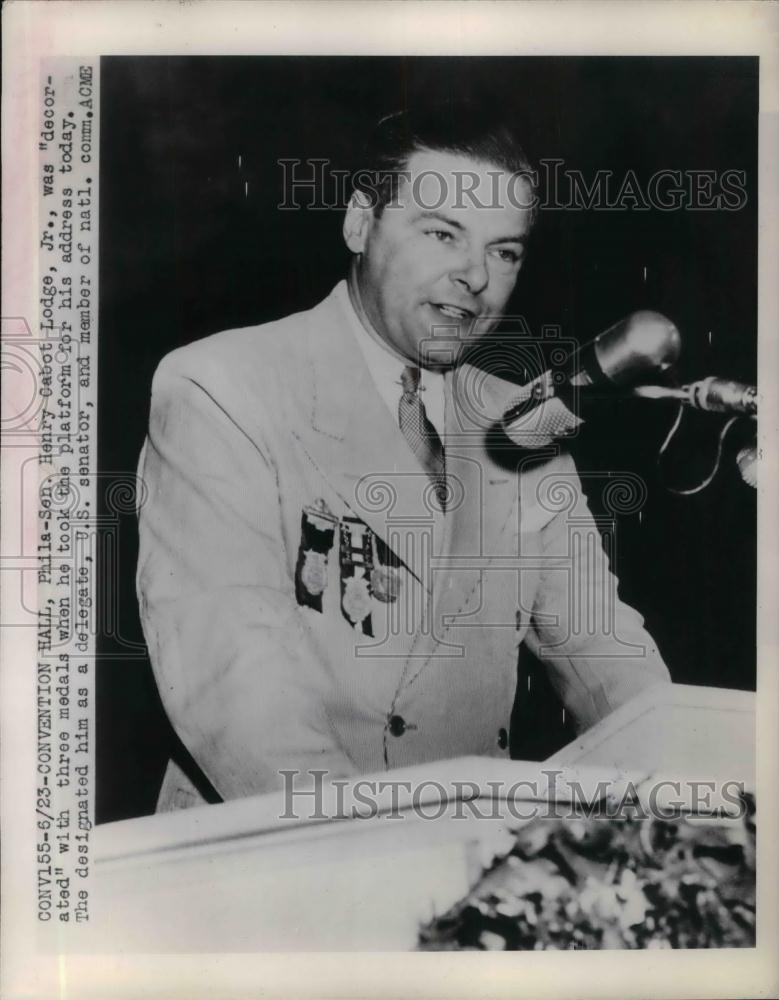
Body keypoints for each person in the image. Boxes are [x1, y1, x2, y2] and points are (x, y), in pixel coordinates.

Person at [136, 101, 671, 811]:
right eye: (442, 233)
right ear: (360, 223)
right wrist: (373, 856)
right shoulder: (222, 385)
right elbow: (235, 682)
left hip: (465, 857)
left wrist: (684, 783)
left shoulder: (525, 415)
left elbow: (601, 649)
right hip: (283, 849)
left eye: (503, 251)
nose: (474, 277)